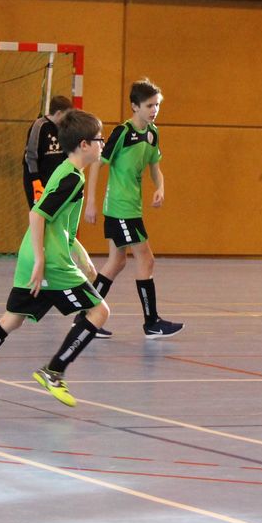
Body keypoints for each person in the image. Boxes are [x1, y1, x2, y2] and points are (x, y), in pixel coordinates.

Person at [0, 110, 110, 409]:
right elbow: (37, 214)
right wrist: (41, 260)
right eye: (100, 139)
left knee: (12, 319)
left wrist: (81, 255)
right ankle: (54, 371)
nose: (103, 144)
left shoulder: (66, 171)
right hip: (51, 263)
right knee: (99, 311)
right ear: (84, 144)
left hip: (33, 255)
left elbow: (58, 225)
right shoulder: (71, 179)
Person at [83, 78, 183, 338]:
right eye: (149, 105)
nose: (154, 110)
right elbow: (97, 163)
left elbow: (155, 168)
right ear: (135, 106)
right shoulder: (123, 133)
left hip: (132, 208)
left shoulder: (153, 133)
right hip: (120, 208)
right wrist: (91, 201)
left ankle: (85, 318)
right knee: (146, 259)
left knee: (116, 262)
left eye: (157, 105)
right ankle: (152, 322)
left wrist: (160, 187)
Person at [22, 95, 73, 208]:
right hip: (39, 182)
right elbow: (30, 156)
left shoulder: (65, 128)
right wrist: (36, 181)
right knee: (39, 214)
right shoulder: (39, 126)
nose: (68, 119)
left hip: (56, 182)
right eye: (67, 115)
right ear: (59, 113)